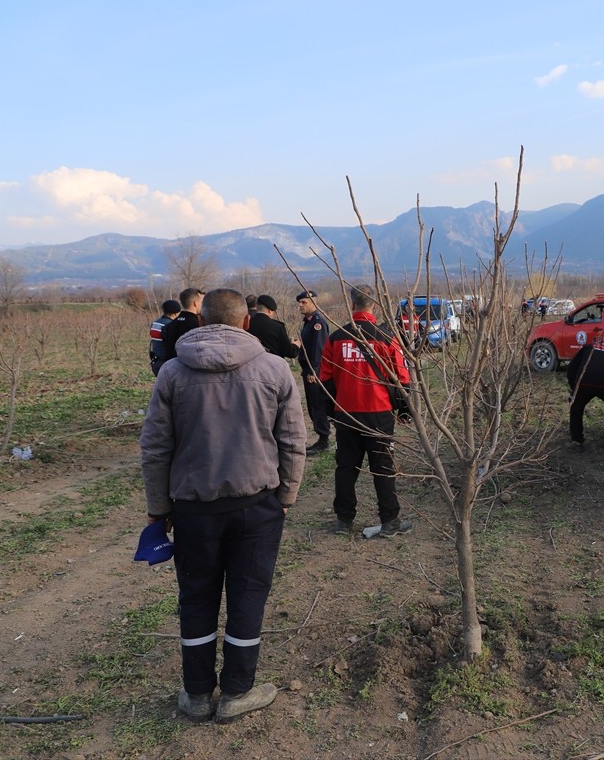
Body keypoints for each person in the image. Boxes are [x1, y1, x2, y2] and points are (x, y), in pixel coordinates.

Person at [140, 288, 306, 723]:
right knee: (248, 596)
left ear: (199, 322)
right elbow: (293, 441)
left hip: (193, 509)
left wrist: (159, 509)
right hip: (258, 505)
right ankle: (236, 693)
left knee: (195, 598)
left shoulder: (172, 373)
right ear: (246, 322)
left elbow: (156, 446)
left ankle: (196, 695)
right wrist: (286, 496)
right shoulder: (275, 369)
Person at [318, 284, 413, 537]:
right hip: (379, 414)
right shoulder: (387, 338)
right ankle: (390, 521)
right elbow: (403, 380)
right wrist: (404, 412)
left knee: (346, 468)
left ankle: (343, 521)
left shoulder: (336, 338)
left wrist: (333, 412)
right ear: (375, 307)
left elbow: (324, 380)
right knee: (383, 468)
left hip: (346, 414)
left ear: (352, 305)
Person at [566, 335, 604, 452]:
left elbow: (571, 368)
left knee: (576, 408)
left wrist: (574, 388)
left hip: (584, 383)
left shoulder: (587, 348)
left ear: (594, 343)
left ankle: (577, 442)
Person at [296, 290, 331, 455]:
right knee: (312, 405)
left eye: (304, 302)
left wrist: (313, 371)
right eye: (300, 302)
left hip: (314, 372)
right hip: (308, 370)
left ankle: (324, 440)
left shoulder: (317, 322)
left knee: (318, 406)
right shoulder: (308, 322)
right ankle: (321, 437)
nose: (300, 305)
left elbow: (319, 349)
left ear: (313, 303)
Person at [162, 287, 205, 362]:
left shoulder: (170, 325)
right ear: (195, 303)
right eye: (201, 302)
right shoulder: (198, 326)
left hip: (171, 367)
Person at [149, 299, 181, 376]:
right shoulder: (171, 325)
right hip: (168, 364)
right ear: (175, 313)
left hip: (156, 362)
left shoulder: (155, 323)